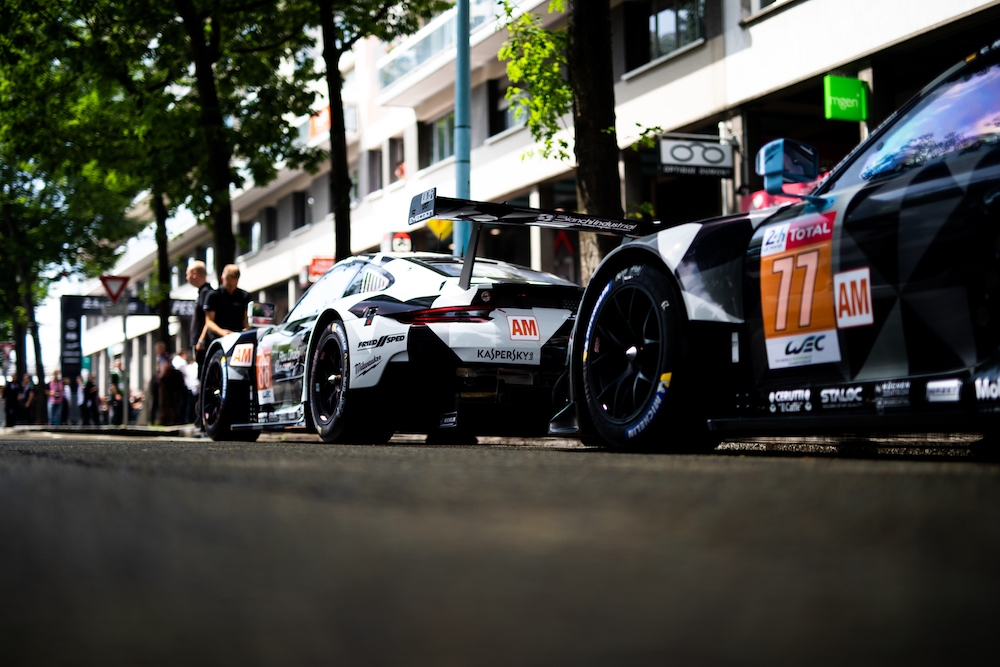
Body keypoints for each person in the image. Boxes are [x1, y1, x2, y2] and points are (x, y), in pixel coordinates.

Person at [187, 260, 215, 428]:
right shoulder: (202, 293)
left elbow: (208, 320)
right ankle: (202, 418)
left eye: (187, 274)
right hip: (201, 345)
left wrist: (201, 340)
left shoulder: (206, 293)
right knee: (202, 381)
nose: (186, 277)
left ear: (195, 274)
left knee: (205, 381)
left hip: (203, 345)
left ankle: (205, 418)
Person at [200, 264, 251, 346]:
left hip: (238, 339)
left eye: (235, 285)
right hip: (217, 340)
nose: (232, 288)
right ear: (222, 278)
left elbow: (246, 320)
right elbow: (209, 321)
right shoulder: (213, 296)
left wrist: (246, 330)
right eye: (229, 285)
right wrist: (221, 332)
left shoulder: (244, 296)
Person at [154, 341, 179, 426]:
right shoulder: (165, 356)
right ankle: (172, 419)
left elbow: (166, 365)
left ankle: (164, 419)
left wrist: (161, 375)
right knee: (170, 400)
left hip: (165, 381)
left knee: (164, 401)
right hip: (167, 381)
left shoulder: (163, 356)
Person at [109, 358, 126, 426]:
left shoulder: (121, 373)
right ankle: (115, 423)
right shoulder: (114, 373)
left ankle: (119, 422)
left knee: (120, 409)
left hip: (121, 393)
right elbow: (113, 384)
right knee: (116, 409)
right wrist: (116, 394)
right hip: (116, 394)